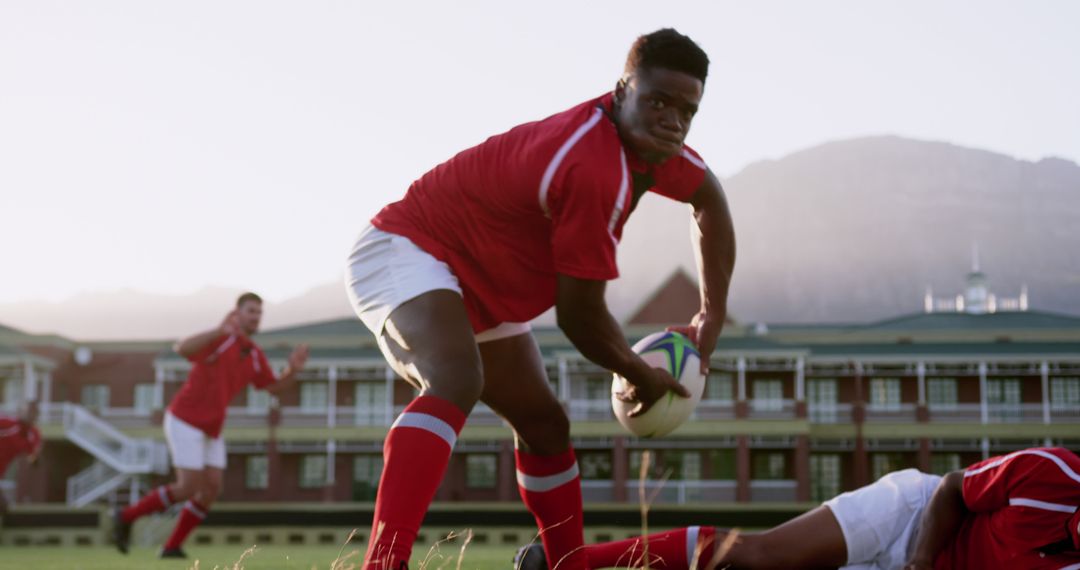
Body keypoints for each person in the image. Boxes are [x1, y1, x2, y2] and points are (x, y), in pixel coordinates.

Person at [345, 28, 735, 570]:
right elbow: (579, 316)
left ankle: (566, 564)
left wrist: (711, 313)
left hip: (488, 283)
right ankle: (383, 564)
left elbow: (709, 200)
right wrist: (638, 373)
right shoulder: (591, 165)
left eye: (686, 111)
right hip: (411, 247)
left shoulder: (657, 149)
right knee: (457, 380)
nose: (672, 120)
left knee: (546, 424)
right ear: (623, 90)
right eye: (658, 101)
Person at [513, 447, 1080, 570]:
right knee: (756, 557)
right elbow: (954, 487)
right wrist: (920, 565)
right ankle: (570, 563)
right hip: (913, 513)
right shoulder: (1057, 473)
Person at [112, 292, 309, 558]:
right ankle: (125, 516)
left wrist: (293, 370)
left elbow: (273, 387)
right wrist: (217, 329)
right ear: (237, 313)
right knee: (188, 487)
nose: (256, 316)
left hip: (212, 428)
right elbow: (181, 348)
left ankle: (171, 547)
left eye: (259, 312)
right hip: (185, 420)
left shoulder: (253, 354)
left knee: (212, 488)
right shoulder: (221, 339)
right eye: (251, 311)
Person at [0, 401, 42, 516]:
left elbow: (33, 458)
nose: (30, 414)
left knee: (4, 508)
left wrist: (34, 458)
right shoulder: (8, 423)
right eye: (28, 411)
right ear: (21, 412)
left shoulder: (33, 434)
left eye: (34, 412)